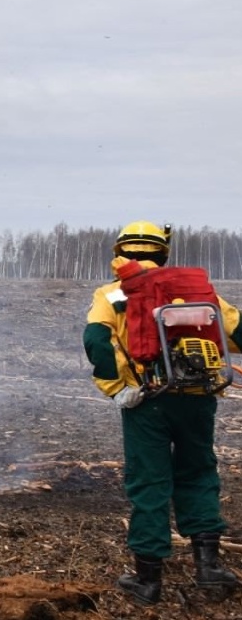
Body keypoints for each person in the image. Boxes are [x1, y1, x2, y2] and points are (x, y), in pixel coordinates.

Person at [83, 221, 241, 604]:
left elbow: (96, 342)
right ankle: (209, 568)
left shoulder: (113, 293)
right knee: (199, 472)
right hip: (197, 396)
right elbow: (235, 334)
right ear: (163, 252)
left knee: (150, 482)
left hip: (147, 400)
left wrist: (117, 389)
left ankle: (148, 580)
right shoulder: (198, 291)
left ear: (121, 252)